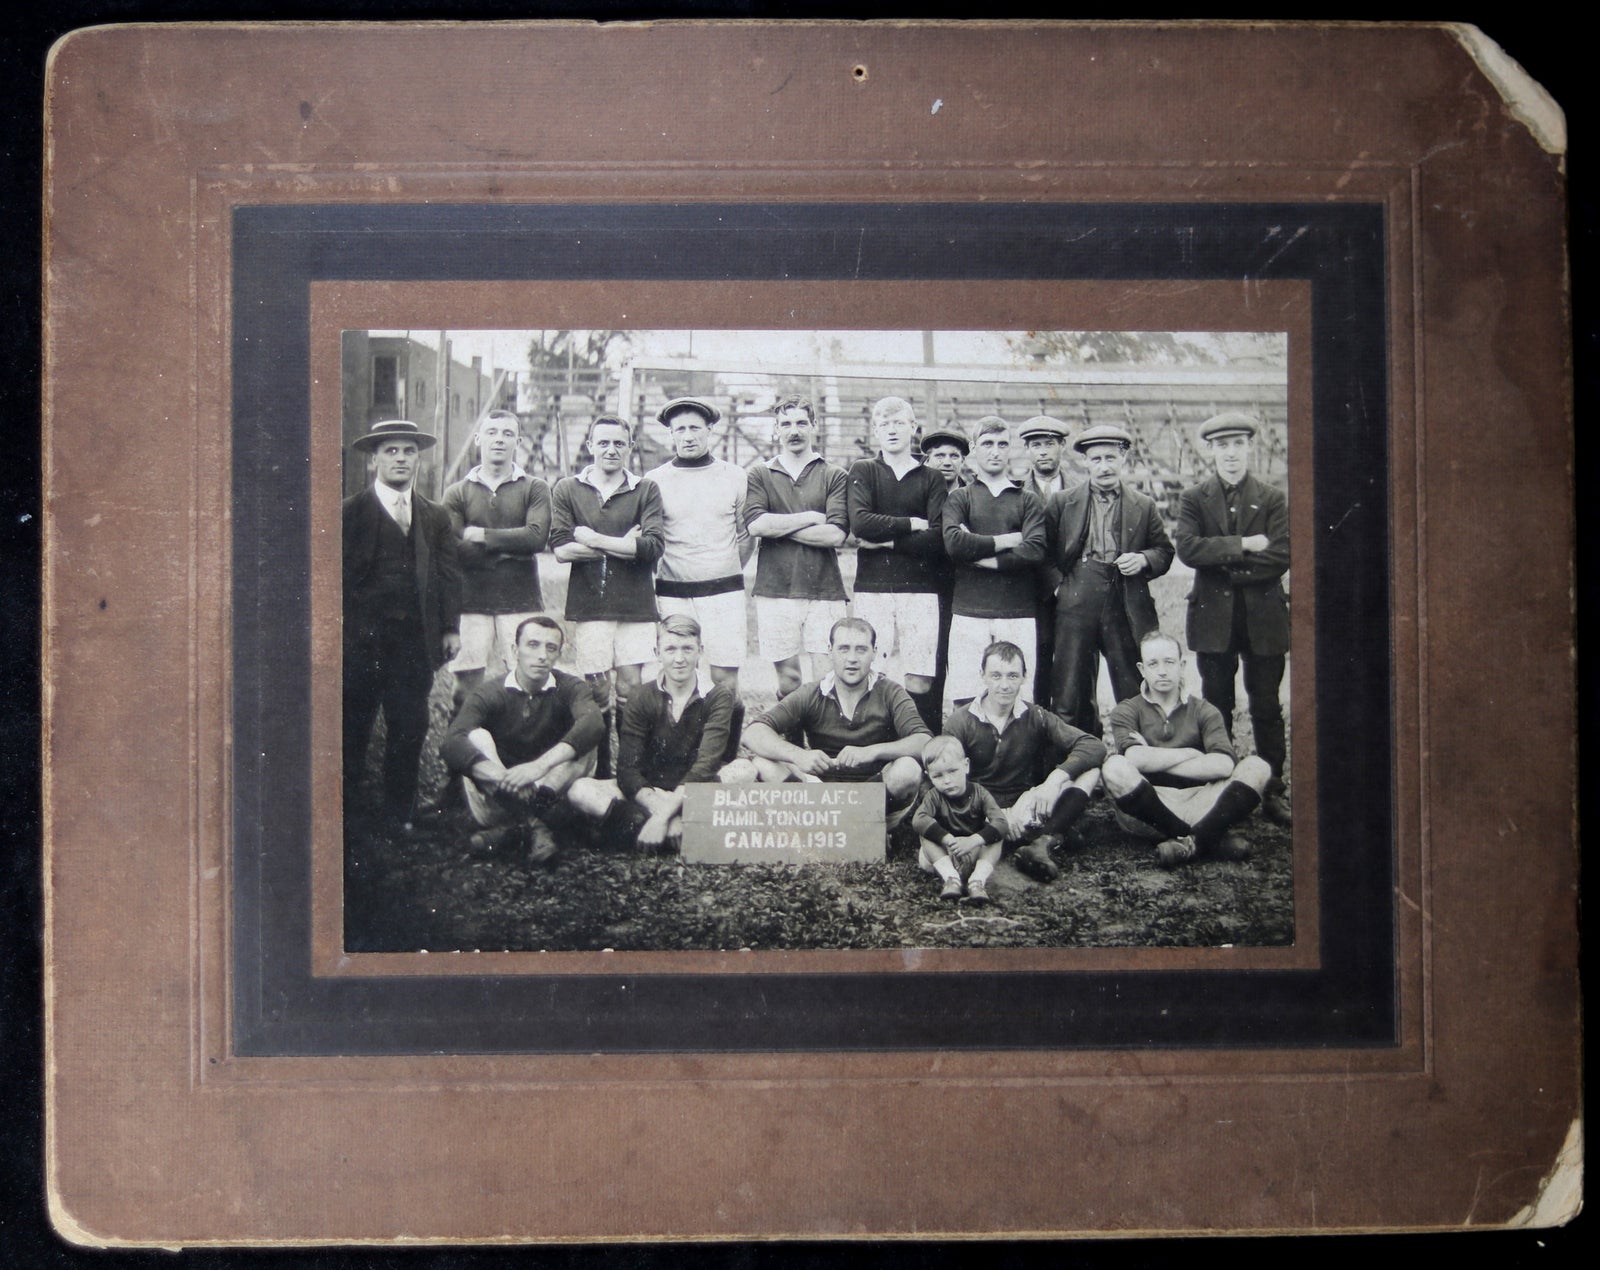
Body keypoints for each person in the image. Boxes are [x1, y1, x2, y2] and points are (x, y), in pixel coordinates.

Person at [342, 419, 461, 832]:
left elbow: (448, 576)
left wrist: (449, 628)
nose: (400, 459)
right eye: (390, 451)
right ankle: (347, 814)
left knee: (410, 726)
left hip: (413, 645)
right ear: (373, 458)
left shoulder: (435, 516)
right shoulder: (348, 513)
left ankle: (399, 815)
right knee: (352, 727)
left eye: (408, 451)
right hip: (360, 644)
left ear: (418, 459)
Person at [1174, 411, 1292, 825]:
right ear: (1210, 450)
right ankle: (1218, 783)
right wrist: (1243, 544)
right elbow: (1188, 549)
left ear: (1249, 447)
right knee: (1216, 704)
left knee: (1266, 705)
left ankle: (1273, 787)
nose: (1230, 453)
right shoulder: (1194, 498)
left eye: (1237, 444)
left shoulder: (1273, 497)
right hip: (1213, 619)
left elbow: (1281, 555)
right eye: (1222, 445)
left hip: (1263, 619)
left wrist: (1223, 562)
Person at [438, 615, 630, 863]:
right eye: (533, 645)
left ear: (559, 654)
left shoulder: (570, 687)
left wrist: (538, 768)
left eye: (551, 648)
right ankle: (536, 823)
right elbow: (451, 742)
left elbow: (593, 723)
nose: (542, 655)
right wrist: (507, 780)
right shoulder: (489, 692)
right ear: (514, 649)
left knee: (584, 741)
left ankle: (519, 829)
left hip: (552, 791)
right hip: (499, 798)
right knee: (476, 736)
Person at [548, 415, 666, 774]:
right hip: (590, 605)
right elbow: (560, 548)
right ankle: (601, 771)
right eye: (603, 443)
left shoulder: (646, 489)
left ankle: (630, 770)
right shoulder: (568, 488)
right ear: (590, 447)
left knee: (631, 689)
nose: (611, 450)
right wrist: (622, 544)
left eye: (619, 443)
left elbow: (651, 547)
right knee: (597, 690)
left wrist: (594, 538)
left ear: (630, 447)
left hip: (635, 606)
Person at [1045, 423, 1174, 737]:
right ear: (1085, 462)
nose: (1104, 466)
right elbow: (1044, 553)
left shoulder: (1143, 505)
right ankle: (1075, 759)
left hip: (1124, 601)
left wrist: (1143, 559)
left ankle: (1137, 758)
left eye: (1110, 458)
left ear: (1123, 459)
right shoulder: (1063, 502)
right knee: (1069, 688)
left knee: (1130, 685)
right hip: (1076, 600)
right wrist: (1060, 587)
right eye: (1096, 459)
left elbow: (1164, 551)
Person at [1100, 631, 1270, 868]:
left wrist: (1153, 755)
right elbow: (1134, 757)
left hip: (1202, 802)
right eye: (1153, 663)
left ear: (1181, 665)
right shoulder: (1127, 710)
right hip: (1152, 808)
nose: (1162, 670)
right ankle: (1208, 838)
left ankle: (1191, 842)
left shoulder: (1204, 711)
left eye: (1169, 662)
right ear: (1141, 669)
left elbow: (1223, 764)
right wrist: (1191, 754)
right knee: (1114, 767)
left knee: (1258, 767)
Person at [742, 617, 929, 829]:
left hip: (876, 792)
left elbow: (924, 742)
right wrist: (799, 755)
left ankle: (856, 824)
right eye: (843, 649)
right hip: (821, 793)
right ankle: (851, 826)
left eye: (861, 649)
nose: (851, 658)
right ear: (830, 651)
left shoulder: (890, 691)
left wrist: (871, 752)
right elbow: (753, 733)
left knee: (908, 769)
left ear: (874, 652)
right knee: (763, 763)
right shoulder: (812, 692)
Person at [942, 640, 1106, 882]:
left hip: (1024, 808)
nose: (1005, 685)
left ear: (1024, 677)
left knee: (1090, 771)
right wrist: (992, 815)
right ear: (982, 676)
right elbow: (946, 777)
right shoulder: (961, 720)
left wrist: (1053, 782)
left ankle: (1041, 843)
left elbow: (1093, 745)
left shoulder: (1035, 715)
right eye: (996, 676)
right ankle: (1049, 835)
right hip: (980, 813)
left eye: (1012, 676)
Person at [847, 396, 949, 727]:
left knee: (920, 678)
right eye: (884, 424)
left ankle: (920, 751)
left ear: (913, 428)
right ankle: (875, 748)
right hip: (873, 587)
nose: (892, 430)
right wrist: (909, 524)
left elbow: (937, 538)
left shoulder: (931, 477)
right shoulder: (863, 470)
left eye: (899, 423)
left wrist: (886, 539)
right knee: (872, 673)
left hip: (921, 590)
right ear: (875, 430)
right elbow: (860, 524)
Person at [612, 615, 755, 852]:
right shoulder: (640, 696)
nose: (679, 659)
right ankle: (681, 826)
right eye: (670, 649)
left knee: (745, 770)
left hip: (699, 790)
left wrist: (661, 816)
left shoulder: (718, 696)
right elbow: (628, 770)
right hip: (654, 789)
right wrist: (665, 810)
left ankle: (649, 825)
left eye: (688, 649)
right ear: (657, 652)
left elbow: (706, 766)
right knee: (583, 790)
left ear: (700, 651)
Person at [439, 409, 551, 707]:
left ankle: (517, 751)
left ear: (518, 441)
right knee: (466, 688)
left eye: (507, 433)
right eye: (491, 432)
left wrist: (482, 536)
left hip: (520, 599)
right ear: (478, 439)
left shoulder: (535, 487)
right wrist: (509, 549)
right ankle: (463, 750)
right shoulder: (457, 492)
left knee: (524, 682)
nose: (499, 440)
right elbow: (450, 548)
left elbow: (536, 538)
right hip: (471, 601)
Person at [744, 396, 851, 697]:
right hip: (776, 588)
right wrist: (810, 518)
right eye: (786, 424)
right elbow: (755, 526)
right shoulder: (760, 474)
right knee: (789, 681)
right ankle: (790, 743)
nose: (795, 430)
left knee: (827, 679)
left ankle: (825, 743)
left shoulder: (834, 474)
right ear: (776, 430)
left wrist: (777, 528)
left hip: (824, 590)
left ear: (813, 426)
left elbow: (834, 535)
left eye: (802, 422)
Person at [940, 416, 1048, 712]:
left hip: (1017, 611)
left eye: (1003, 444)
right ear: (974, 448)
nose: (995, 451)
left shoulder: (1027, 500)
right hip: (968, 610)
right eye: (987, 443)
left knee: (1020, 698)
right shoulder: (960, 498)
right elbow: (954, 545)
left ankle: (1016, 757)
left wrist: (977, 556)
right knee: (966, 694)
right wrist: (1008, 541)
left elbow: (1035, 550)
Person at [645, 397, 752, 691]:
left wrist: (721, 569)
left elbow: (745, 536)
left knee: (724, 678)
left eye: (695, 428)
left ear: (710, 429)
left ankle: (727, 738)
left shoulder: (735, 476)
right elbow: (652, 538)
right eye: (680, 429)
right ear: (671, 433)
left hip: (723, 592)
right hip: (674, 593)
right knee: (677, 674)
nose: (688, 436)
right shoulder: (655, 480)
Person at [1018, 415, 1075, 706]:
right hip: (1033, 593)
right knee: (1037, 661)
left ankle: (1083, 731)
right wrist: (1053, 583)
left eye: (1049, 444)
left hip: (1075, 590)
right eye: (1036, 445)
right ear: (1026, 450)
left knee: (1077, 664)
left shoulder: (1081, 487)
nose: (1043, 451)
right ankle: (1039, 729)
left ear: (1062, 447)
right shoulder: (1016, 491)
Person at [912, 735, 1009, 905]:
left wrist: (974, 840)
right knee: (925, 833)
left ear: (966, 765)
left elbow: (1001, 822)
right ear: (929, 776)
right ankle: (951, 879)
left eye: (952, 771)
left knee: (996, 835)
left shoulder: (980, 793)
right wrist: (947, 839)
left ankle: (977, 881)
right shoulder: (934, 796)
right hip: (944, 855)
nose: (947, 781)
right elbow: (919, 820)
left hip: (974, 853)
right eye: (938, 776)